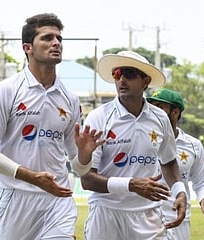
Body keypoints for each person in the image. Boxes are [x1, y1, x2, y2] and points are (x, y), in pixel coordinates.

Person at [0, 13, 99, 239]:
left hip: (57, 198)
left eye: (59, 38)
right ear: (27, 47)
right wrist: (31, 177)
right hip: (15, 198)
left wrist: (84, 156)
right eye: (47, 38)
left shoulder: (69, 98)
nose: (56, 43)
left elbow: (79, 168)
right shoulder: (7, 90)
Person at [80, 50, 188, 240]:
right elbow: (87, 179)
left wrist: (180, 191)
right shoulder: (98, 117)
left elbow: (169, 161)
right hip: (106, 215)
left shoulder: (160, 117)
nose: (121, 80)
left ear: (146, 81)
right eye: (117, 74)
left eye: (129, 74)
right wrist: (131, 185)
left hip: (148, 216)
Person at [147, 88, 204, 239]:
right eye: (151, 106)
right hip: (145, 216)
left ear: (175, 113)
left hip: (178, 219)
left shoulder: (193, 145)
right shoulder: (142, 139)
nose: (153, 112)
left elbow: (201, 180)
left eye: (159, 107)